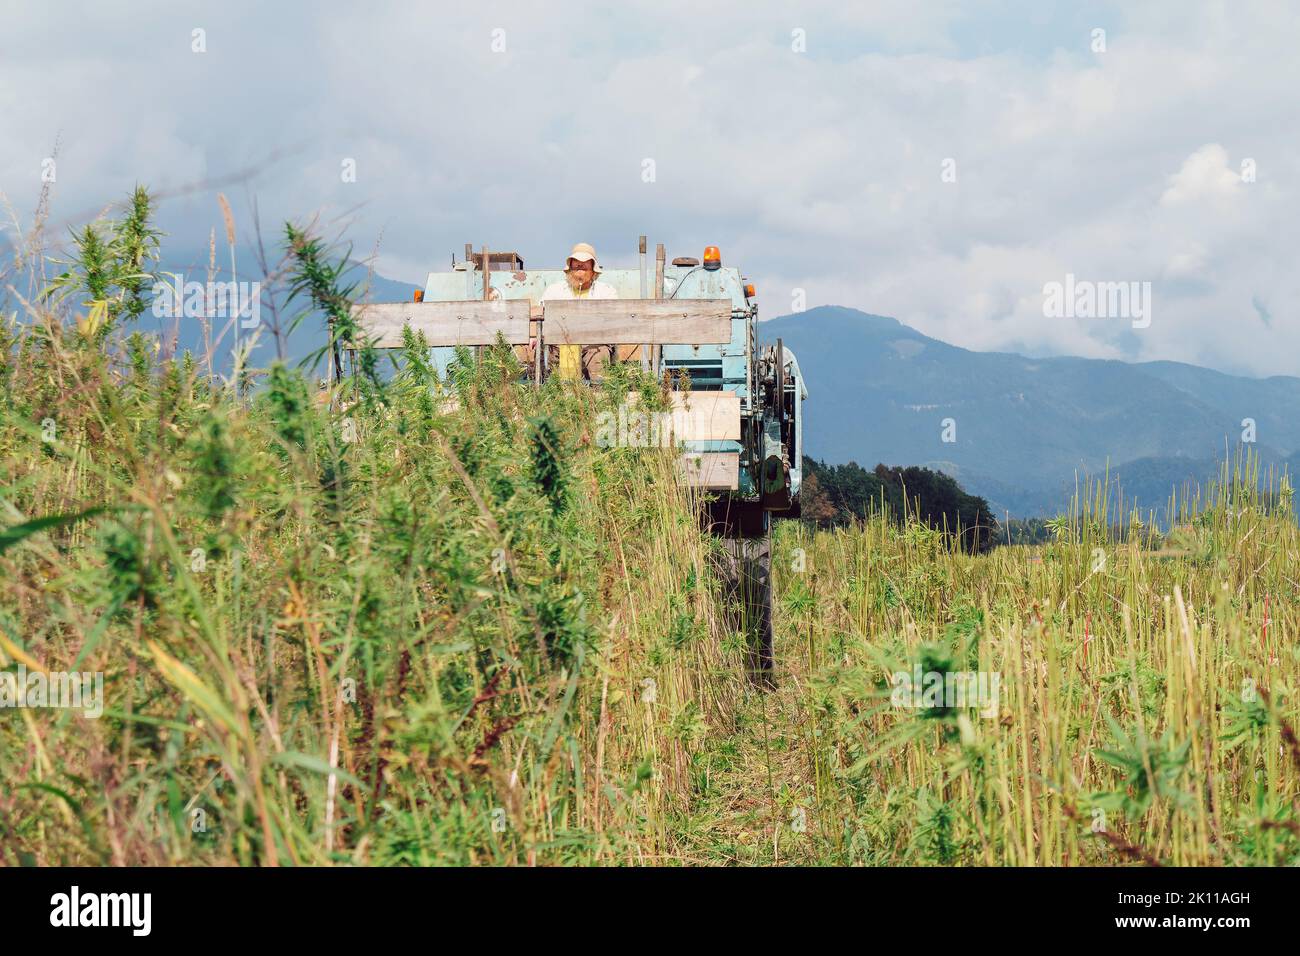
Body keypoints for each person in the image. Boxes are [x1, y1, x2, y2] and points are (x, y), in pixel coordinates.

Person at [540, 242, 619, 380]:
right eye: (576, 263)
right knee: (542, 353)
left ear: (593, 269)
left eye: (584, 263)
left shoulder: (606, 291)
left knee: (599, 356)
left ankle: (600, 397)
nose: (579, 265)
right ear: (570, 267)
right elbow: (540, 314)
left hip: (595, 344)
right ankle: (557, 396)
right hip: (560, 344)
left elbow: (613, 320)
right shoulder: (554, 290)